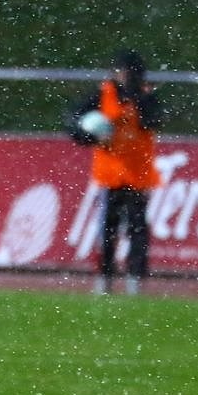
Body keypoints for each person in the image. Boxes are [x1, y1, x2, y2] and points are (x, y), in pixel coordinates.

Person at [67, 49, 163, 295]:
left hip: (138, 174)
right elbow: (74, 124)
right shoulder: (102, 95)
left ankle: (134, 278)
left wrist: (136, 99)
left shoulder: (146, 97)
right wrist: (89, 134)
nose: (123, 76)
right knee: (108, 230)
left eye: (127, 72)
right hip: (110, 174)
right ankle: (105, 277)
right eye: (120, 71)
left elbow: (153, 121)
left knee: (137, 230)